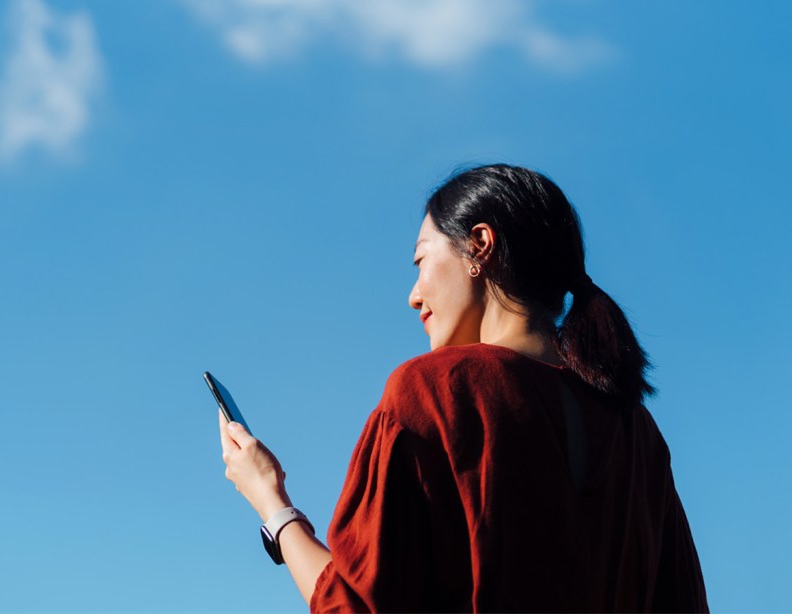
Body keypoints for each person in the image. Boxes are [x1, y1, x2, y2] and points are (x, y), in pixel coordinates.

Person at [218, 164, 708, 612]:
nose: (413, 296)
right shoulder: (638, 430)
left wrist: (273, 505)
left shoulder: (433, 391)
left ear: (479, 244)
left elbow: (356, 605)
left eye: (420, 262)